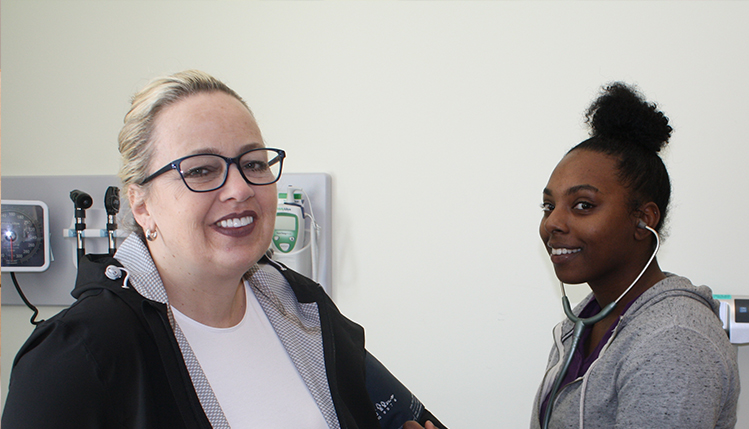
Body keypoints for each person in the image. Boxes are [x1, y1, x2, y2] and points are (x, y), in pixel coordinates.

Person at [2, 70, 444, 429]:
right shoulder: (78, 356)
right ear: (141, 205)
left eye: (253, 163)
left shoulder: (300, 308)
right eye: (201, 170)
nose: (240, 188)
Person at [531, 83, 740, 429]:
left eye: (583, 205)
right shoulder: (582, 324)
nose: (552, 222)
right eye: (549, 206)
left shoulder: (674, 340)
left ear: (644, 219)